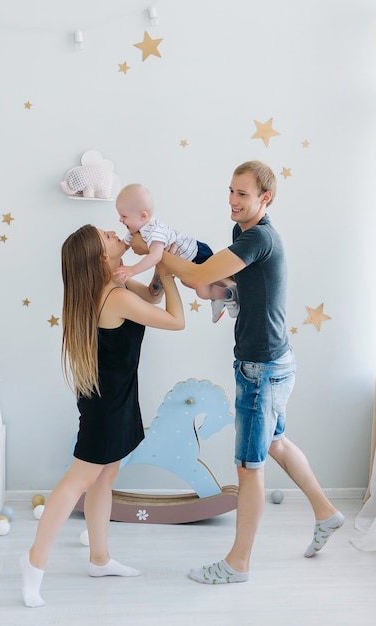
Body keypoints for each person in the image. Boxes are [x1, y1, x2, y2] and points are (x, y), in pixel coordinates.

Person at [141, 160, 344, 584]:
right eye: (230, 191)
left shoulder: (258, 238)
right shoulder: (243, 233)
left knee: (248, 467)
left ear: (264, 199)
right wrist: (219, 286)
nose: (232, 201)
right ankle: (327, 513)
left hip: (261, 368)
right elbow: (214, 280)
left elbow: (199, 274)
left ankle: (238, 564)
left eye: (242, 194)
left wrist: (159, 256)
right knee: (277, 443)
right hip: (276, 360)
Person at [19, 225, 185, 607]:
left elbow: (153, 298)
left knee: (105, 475)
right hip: (107, 405)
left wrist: (156, 272)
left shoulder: (113, 285)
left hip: (113, 396)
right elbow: (176, 320)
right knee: (79, 480)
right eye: (108, 236)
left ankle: (99, 558)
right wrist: (168, 267)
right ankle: (33, 562)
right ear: (101, 257)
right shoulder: (113, 296)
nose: (116, 232)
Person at [114, 183, 238, 323]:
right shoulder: (133, 230)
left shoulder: (155, 231)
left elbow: (155, 256)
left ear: (143, 216)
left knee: (201, 288)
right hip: (186, 262)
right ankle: (222, 295)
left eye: (123, 216)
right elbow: (123, 246)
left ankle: (228, 293)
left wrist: (132, 270)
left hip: (197, 254)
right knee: (192, 285)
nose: (120, 220)